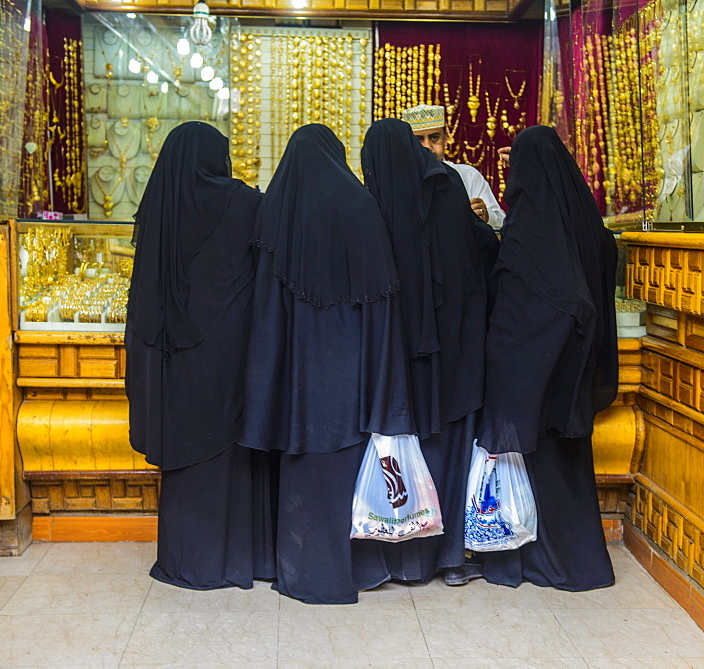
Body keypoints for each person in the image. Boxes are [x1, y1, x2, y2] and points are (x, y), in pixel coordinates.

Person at [239, 124, 415, 605]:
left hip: (298, 373)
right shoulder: (361, 207)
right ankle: (356, 569)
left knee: (302, 468)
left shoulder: (278, 210)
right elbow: (382, 302)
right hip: (353, 370)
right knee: (350, 469)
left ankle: (304, 572)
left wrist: (268, 378)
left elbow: (265, 309)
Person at [125, 121, 275, 590]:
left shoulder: (159, 208)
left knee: (186, 455)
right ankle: (239, 560)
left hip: (173, 356)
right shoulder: (245, 201)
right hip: (232, 350)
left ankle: (188, 560)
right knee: (231, 454)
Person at [477, 125, 619, 591]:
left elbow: (516, 297)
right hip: (574, 365)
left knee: (531, 463)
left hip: (531, 367)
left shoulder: (528, 224)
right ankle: (582, 562)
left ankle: (536, 560)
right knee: (568, 467)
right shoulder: (584, 218)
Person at [361, 118, 495, 586]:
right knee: (451, 448)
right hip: (454, 350)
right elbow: (479, 259)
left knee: (396, 453)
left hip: (394, 359)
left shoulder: (369, 204)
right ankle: (451, 558)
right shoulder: (447, 187)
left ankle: (397, 560)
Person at [403, 103, 506, 229]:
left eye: (434, 137)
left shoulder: (468, 175)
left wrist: (485, 215)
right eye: (419, 140)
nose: (427, 147)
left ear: (445, 138)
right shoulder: (402, 179)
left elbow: (500, 222)